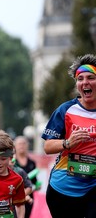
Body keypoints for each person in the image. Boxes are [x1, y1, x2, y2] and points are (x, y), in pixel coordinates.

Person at [41, 54, 96, 218]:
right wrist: (67, 143)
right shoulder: (66, 110)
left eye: (91, 78)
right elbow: (47, 147)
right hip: (64, 188)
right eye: (80, 79)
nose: (85, 82)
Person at [14, 136, 38, 218]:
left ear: (27, 145)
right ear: (15, 146)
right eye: (19, 144)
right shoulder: (11, 162)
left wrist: (37, 186)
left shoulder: (32, 163)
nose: (22, 146)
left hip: (29, 197)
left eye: (24, 143)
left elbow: (34, 182)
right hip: (14, 196)